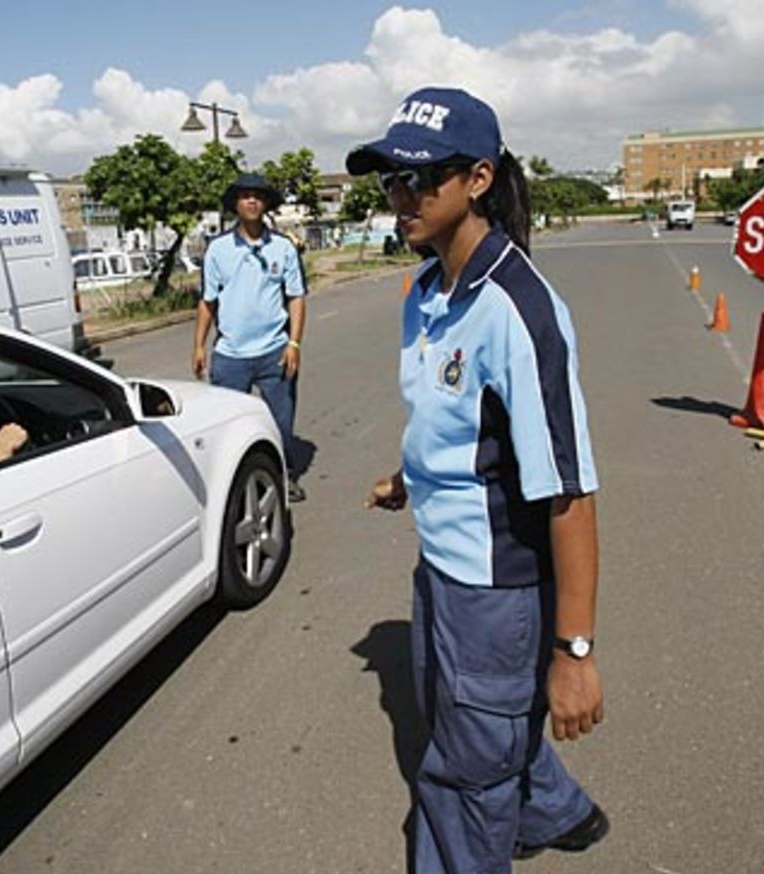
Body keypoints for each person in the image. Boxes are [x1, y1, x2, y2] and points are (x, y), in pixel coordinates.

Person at [350, 87, 608, 872]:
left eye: (420, 179)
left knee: (462, 772)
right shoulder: (427, 291)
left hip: (495, 591)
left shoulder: (518, 309)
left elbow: (568, 491)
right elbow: (455, 423)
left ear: (479, 179)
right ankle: (557, 810)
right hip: (443, 568)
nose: (401, 197)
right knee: (480, 727)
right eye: (390, 180)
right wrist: (410, 477)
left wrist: (574, 652)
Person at [193, 172, 308, 502]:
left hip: (275, 352)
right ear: (236, 204)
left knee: (280, 424)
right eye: (245, 196)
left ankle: (284, 476)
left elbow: (296, 298)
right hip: (230, 356)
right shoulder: (218, 250)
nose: (252, 201)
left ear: (266, 203)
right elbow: (208, 301)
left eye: (258, 195)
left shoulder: (283, 248)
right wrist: (199, 345)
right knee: (227, 427)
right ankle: (228, 489)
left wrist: (294, 343)